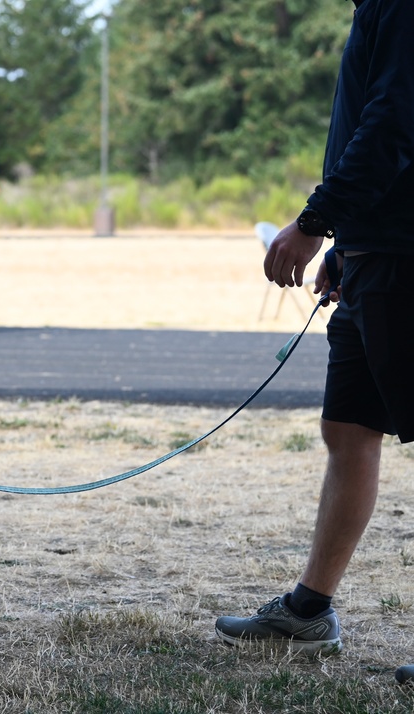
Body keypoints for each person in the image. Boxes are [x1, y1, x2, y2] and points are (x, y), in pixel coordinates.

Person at [213, 0, 414, 682]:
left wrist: (316, 221)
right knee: (347, 428)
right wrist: (345, 244)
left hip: (404, 257)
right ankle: (307, 612)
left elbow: (393, 125)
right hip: (372, 253)